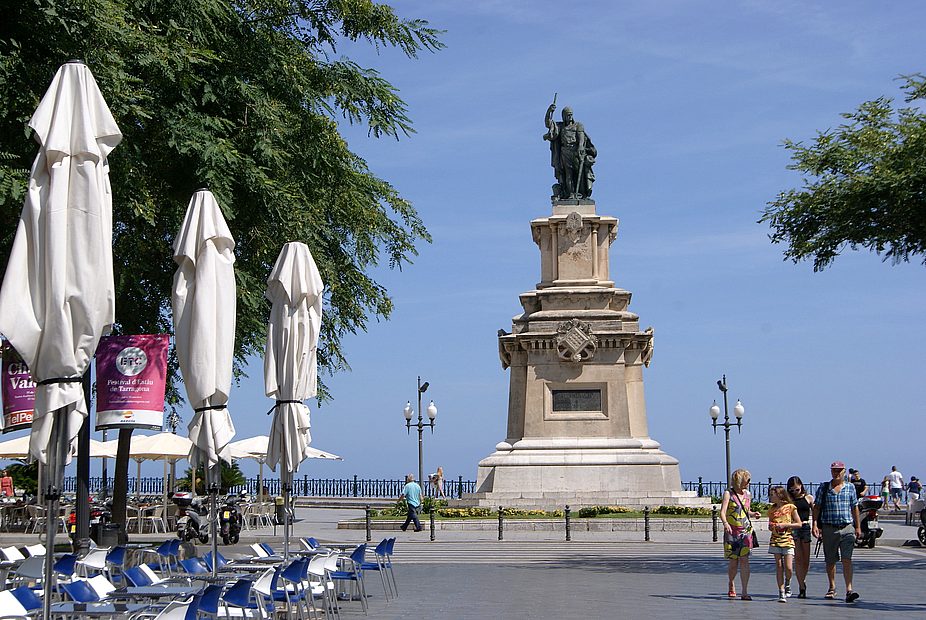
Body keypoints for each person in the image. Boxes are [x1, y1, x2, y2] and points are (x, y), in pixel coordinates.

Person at [812, 460, 861, 603]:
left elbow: (855, 507)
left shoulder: (850, 487)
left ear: (844, 471)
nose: (837, 473)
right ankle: (832, 587)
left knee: (847, 559)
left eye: (839, 470)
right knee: (830, 560)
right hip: (829, 527)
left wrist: (857, 527)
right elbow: (817, 507)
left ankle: (849, 589)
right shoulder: (824, 488)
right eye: (834, 470)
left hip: (846, 527)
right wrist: (815, 524)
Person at [720, 468, 761, 600]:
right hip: (732, 531)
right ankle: (731, 583)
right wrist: (725, 523)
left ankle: (744, 591)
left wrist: (753, 514)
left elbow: (746, 511)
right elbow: (722, 511)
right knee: (733, 562)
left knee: (745, 560)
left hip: (745, 532)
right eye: (746, 480)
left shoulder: (748, 494)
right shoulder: (729, 494)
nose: (748, 483)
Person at [544, 102, 597, 200]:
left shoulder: (578, 125)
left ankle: (581, 194)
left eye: (570, 115)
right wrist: (549, 111)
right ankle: (571, 194)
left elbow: (581, 137)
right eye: (567, 115)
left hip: (576, 151)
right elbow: (548, 123)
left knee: (578, 173)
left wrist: (581, 147)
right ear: (563, 116)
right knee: (568, 174)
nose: (569, 117)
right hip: (565, 152)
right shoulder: (560, 127)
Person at [768, 485, 802, 602]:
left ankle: (788, 582)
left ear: (780, 495)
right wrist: (772, 526)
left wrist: (786, 525)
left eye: (772, 495)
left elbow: (799, 524)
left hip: (787, 540)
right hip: (775, 540)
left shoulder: (791, 507)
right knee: (779, 566)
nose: (770, 497)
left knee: (788, 567)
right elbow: (770, 524)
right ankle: (781, 591)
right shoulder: (771, 510)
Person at [787, 476, 814, 599]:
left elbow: (815, 513)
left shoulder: (808, 498)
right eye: (791, 490)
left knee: (806, 559)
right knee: (798, 558)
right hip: (794, 528)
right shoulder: (789, 500)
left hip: (805, 526)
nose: (794, 492)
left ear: (801, 487)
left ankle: (804, 579)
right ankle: (801, 585)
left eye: (796, 489)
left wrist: (816, 526)